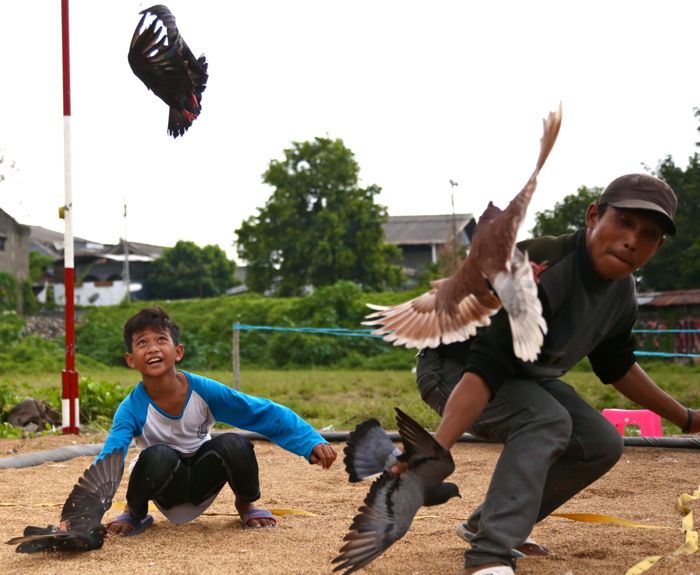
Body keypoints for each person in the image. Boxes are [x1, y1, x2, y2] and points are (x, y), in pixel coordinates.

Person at [409, 173, 698, 575]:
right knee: (544, 419)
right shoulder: (541, 267)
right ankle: (490, 555)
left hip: (520, 377)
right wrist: (436, 449)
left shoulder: (622, 292)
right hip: (453, 368)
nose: (633, 239)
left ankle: (487, 524)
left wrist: (686, 418)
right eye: (624, 222)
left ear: (658, 246)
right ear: (594, 216)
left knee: (599, 442)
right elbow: (485, 368)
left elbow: (617, 366)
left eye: (648, 234)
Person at [94, 306, 336, 536]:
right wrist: (82, 514)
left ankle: (247, 505)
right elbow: (109, 457)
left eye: (160, 339)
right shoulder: (130, 408)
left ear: (178, 351)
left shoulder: (204, 391)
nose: (152, 348)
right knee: (158, 454)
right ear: (131, 360)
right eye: (142, 342)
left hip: (203, 477)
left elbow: (262, 412)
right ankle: (135, 513)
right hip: (163, 485)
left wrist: (309, 440)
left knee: (234, 443)